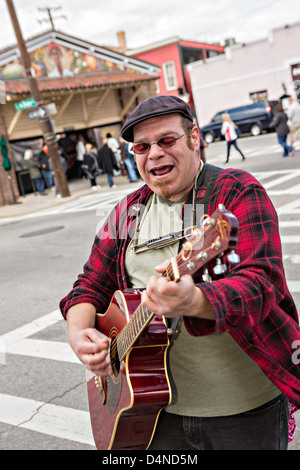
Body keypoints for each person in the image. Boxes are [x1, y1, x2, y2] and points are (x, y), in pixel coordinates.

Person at [60, 95, 300, 450]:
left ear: (194, 139)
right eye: (142, 146)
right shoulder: (128, 212)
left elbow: (262, 285)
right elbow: (89, 284)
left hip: (243, 412)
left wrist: (195, 300)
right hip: (151, 413)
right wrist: (79, 334)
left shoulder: (235, 191)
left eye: (166, 140)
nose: (154, 153)